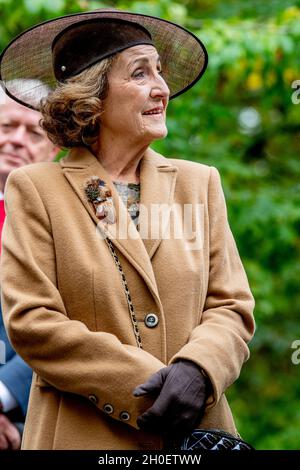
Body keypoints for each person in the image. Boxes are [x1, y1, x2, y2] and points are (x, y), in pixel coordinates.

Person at [0, 9, 255, 450]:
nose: (162, 88)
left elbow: (231, 305)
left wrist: (198, 371)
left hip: (197, 436)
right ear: (91, 97)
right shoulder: (36, 188)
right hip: (78, 435)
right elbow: (33, 321)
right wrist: (150, 387)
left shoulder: (200, 183)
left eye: (160, 72)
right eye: (141, 73)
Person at [0, 88, 59, 449]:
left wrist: (4, 394)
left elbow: (80, 316)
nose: (17, 140)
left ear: (54, 151)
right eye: (7, 126)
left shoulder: (75, 223)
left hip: (33, 421)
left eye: (33, 132)